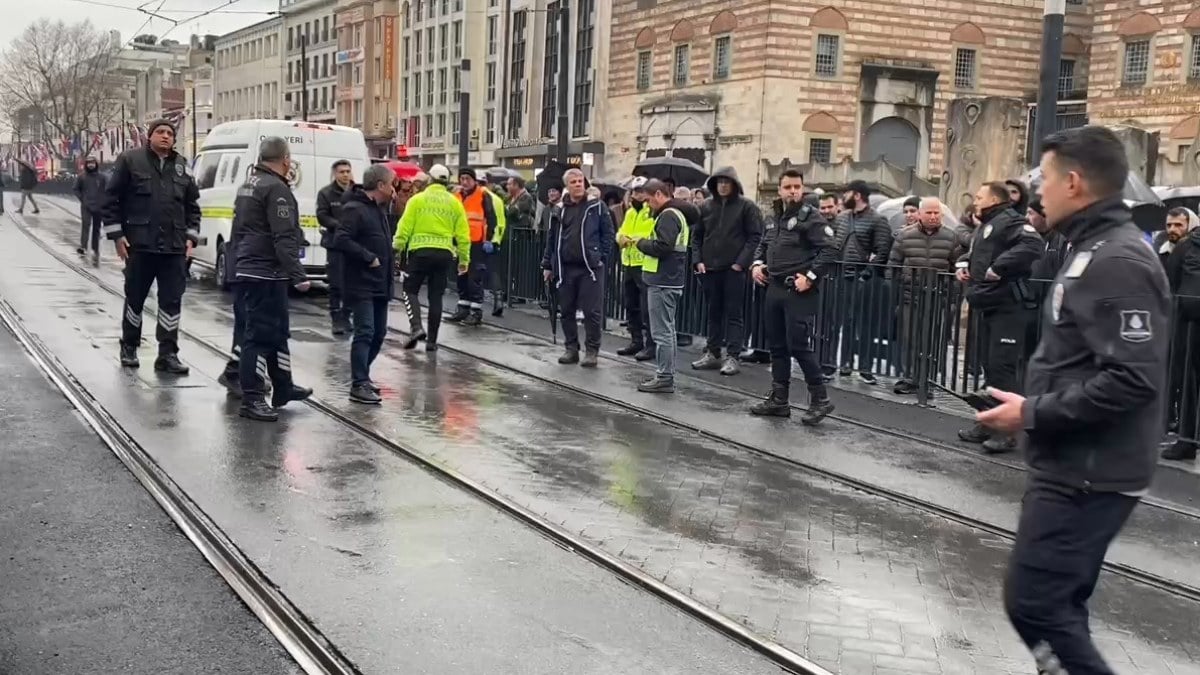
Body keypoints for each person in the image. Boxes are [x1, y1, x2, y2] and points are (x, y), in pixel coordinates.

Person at [977, 125, 1169, 675]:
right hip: (1075, 460)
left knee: (1035, 603)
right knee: (1057, 606)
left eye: (1047, 178)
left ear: (1075, 182)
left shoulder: (1118, 261)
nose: (1039, 191)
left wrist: (1031, 413)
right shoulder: (1092, 248)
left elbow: (1132, 379)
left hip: (1091, 471)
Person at [101, 119, 199, 374]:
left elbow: (192, 207)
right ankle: (129, 346)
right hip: (140, 245)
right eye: (160, 132)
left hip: (174, 248)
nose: (165, 136)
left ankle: (167, 354)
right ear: (150, 136)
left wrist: (191, 237)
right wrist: (117, 236)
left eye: (170, 133)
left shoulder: (182, 166)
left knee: (171, 301)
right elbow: (110, 200)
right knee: (135, 298)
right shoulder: (130, 160)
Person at [955, 181, 1044, 453]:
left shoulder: (1009, 220)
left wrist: (998, 268)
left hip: (1008, 307)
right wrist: (964, 264)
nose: (975, 200)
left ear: (994, 199)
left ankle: (1007, 432)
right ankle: (988, 422)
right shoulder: (988, 224)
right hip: (988, 304)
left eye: (979, 196)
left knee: (1003, 369)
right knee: (990, 368)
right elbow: (978, 252)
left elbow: (1033, 244)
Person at [231, 137, 315, 421]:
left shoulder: (249, 184)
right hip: (266, 270)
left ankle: (283, 385)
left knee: (277, 332)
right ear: (286, 159)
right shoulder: (276, 188)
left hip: (252, 266)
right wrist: (298, 273)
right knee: (258, 336)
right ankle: (252, 397)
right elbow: (283, 235)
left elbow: (240, 228)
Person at [749, 169, 837, 424]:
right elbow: (764, 244)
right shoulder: (774, 216)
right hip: (774, 287)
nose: (793, 191)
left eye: (797, 187)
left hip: (798, 290)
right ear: (779, 190)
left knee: (798, 345)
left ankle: (820, 399)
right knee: (777, 346)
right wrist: (756, 265)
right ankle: (779, 400)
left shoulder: (810, 216)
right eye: (788, 187)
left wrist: (810, 277)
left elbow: (830, 249)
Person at [332, 165, 397, 405]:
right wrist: (368, 257)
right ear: (380, 185)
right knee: (366, 331)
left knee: (379, 333)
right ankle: (358, 383)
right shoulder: (355, 209)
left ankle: (363, 375)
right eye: (391, 184)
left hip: (380, 282)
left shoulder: (378, 210)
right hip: (361, 283)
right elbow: (341, 239)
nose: (394, 189)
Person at [690, 166, 764, 376]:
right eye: (719, 182)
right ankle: (713, 352)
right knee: (713, 313)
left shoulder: (746, 206)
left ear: (734, 184)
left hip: (734, 270)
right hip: (710, 268)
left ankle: (733, 356)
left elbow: (755, 237)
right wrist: (698, 260)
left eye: (726, 182)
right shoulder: (705, 206)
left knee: (734, 314)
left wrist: (740, 263)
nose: (722, 185)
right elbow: (697, 236)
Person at [887, 197, 965, 394]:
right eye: (929, 212)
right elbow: (893, 265)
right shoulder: (904, 236)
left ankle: (927, 380)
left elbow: (957, 269)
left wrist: (952, 297)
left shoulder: (951, 237)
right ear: (920, 214)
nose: (933, 216)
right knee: (909, 339)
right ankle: (910, 378)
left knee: (931, 341)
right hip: (909, 296)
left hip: (938, 298)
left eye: (936, 213)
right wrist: (895, 291)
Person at [393, 163, 470, 353]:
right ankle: (432, 342)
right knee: (436, 296)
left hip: (420, 252)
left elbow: (404, 227)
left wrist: (396, 248)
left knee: (409, 290)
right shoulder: (455, 203)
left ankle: (416, 327)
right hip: (444, 253)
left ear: (430, 179)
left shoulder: (417, 200)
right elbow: (463, 234)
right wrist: (464, 259)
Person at [541, 168, 614, 367]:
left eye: (580, 181)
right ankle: (571, 348)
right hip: (566, 267)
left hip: (589, 268)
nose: (578, 184)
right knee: (566, 310)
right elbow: (551, 239)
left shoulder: (596, 206)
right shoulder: (559, 209)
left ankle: (592, 351)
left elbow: (608, 233)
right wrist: (547, 264)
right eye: (573, 182)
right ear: (567, 186)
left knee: (592, 312)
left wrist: (600, 257)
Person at [624, 179, 690, 393]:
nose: (647, 204)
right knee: (667, 330)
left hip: (662, 280)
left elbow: (662, 247)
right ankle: (665, 374)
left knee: (662, 332)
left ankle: (664, 376)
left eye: (649, 199)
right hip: (669, 279)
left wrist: (640, 242)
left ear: (659, 194)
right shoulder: (676, 214)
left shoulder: (668, 215)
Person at [832, 179, 893, 383]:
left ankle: (865, 367)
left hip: (866, 280)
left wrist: (867, 273)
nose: (844, 197)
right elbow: (834, 244)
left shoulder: (878, 220)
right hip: (842, 277)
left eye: (847, 193)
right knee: (846, 323)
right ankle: (845, 363)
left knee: (866, 324)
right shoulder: (842, 218)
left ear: (857, 195)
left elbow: (882, 251)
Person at [448, 168, 503, 326]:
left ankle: (476, 312)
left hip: (477, 242)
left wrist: (488, 239)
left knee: (474, 278)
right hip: (461, 242)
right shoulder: (457, 196)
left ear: (474, 180)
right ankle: (463, 308)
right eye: (462, 179)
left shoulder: (482, 195)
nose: (464, 182)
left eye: (468, 179)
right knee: (461, 276)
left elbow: (491, 218)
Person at [615, 178, 655, 357]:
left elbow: (650, 233)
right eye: (635, 191)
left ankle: (651, 345)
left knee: (647, 307)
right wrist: (620, 238)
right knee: (631, 305)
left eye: (640, 191)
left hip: (644, 263)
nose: (637, 194)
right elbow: (622, 231)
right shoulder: (630, 212)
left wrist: (632, 239)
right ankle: (636, 341)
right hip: (629, 262)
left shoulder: (651, 211)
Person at [317, 159, 354, 336]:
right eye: (342, 172)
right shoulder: (326, 193)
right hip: (335, 244)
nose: (345, 175)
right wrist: (339, 226)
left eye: (348, 171)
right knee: (336, 283)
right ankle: (336, 319)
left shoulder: (356, 192)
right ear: (335, 174)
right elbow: (322, 216)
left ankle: (346, 316)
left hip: (354, 245)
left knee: (352, 284)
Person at [73, 156, 107, 261]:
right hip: (86, 206)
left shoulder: (102, 177)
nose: (91, 165)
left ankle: (95, 248)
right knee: (85, 225)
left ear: (96, 164)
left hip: (98, 206)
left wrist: (103, 200)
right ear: (86, 164)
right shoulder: (82, 177)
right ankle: (83, 246)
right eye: (89, 163)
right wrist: (82, 198)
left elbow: (107, 189)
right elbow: (76, 189)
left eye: (93, 163)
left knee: (96, 228)